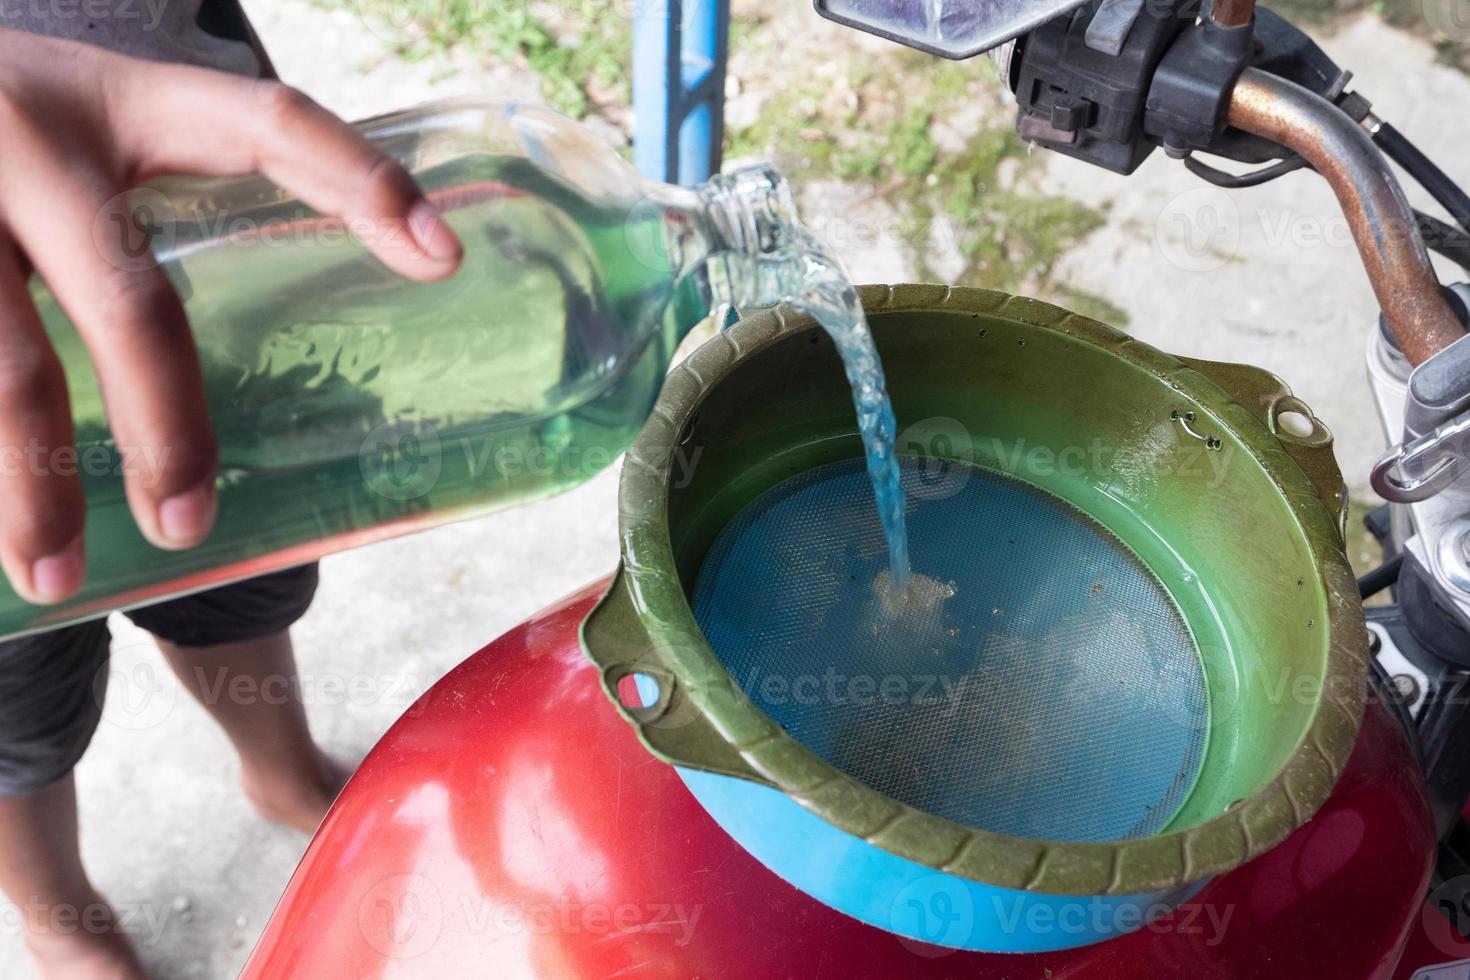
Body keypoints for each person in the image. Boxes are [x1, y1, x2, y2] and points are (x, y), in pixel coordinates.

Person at [0, 3, 464, 977]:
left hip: (191, 197)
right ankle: (59, 917)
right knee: (12, 706)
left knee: (232, 549)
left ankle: (281, 768)